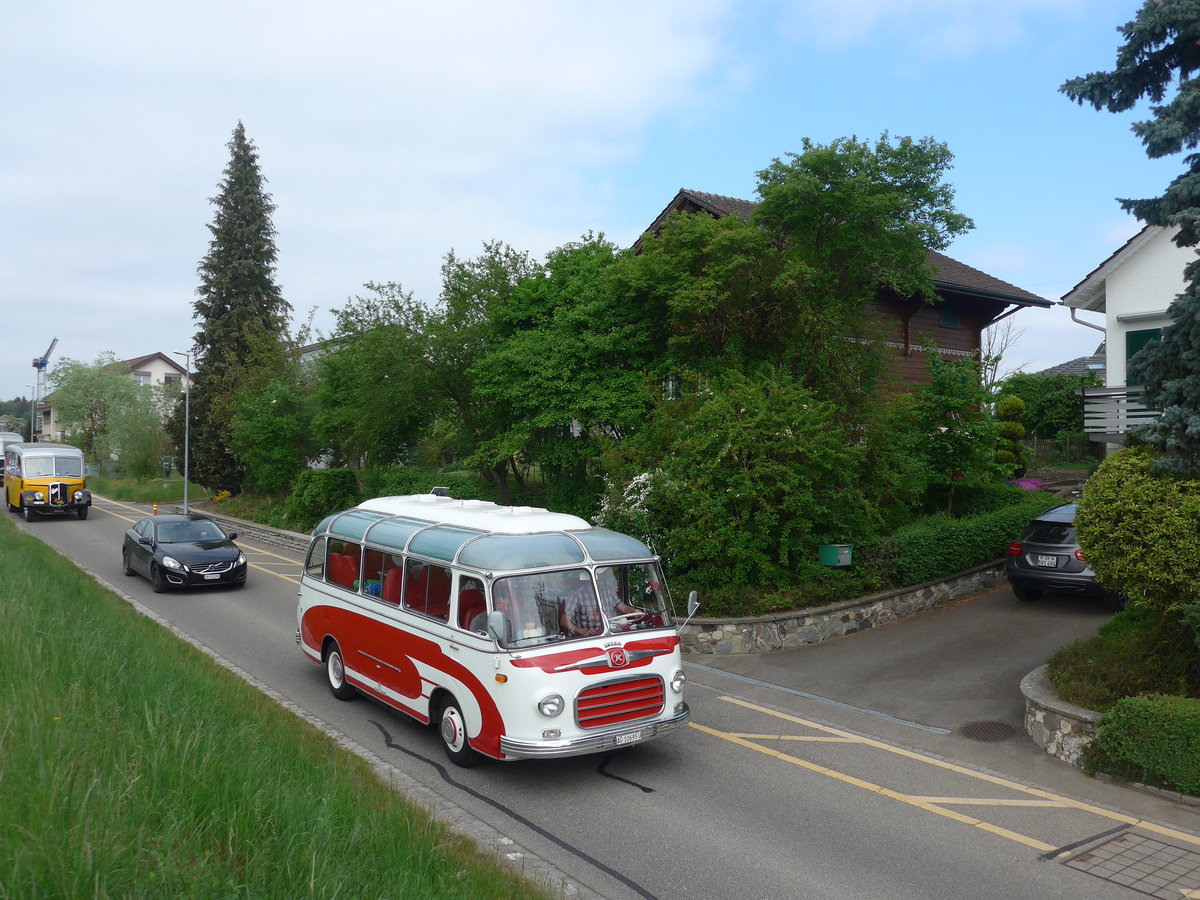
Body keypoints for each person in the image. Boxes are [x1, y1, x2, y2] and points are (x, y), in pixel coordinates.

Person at [560, 569, 638, 637]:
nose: (605, 575)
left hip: (610, 633)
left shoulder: (607, 591)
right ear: (594, 575)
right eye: (602, 574)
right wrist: (582, 631)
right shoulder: (576, 595)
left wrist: (634, 611)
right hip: (590, 638)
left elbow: (623, 608)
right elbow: (564, 621)